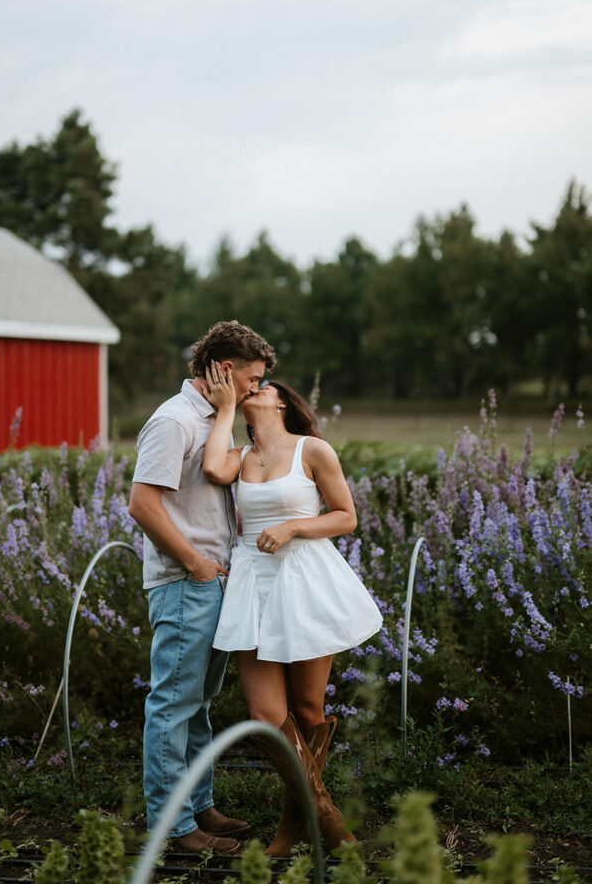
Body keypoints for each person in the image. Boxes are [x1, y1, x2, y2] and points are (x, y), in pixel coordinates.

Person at [201, 362, 383, 855]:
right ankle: (327, 818)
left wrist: (294, 527)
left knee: (307, 710)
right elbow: (211, 469)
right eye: (250, 388)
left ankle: (290, 826)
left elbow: (346, 517)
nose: (253, 389)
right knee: (265, 713)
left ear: (282, 401)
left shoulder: (313, 450)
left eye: (262, 387)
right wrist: (223, 411)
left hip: (303, 578)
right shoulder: (238, 457)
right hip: (252, 586)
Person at [128, 321, 276, 855]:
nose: (258, 390)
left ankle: (198, 805)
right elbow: (142, 504)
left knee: (199, 704)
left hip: (212, 582)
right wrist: (193, 562)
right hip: (185, 582)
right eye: (254, 380)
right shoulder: (173, 422)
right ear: (225, 370)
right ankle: (173, 826)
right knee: (173, 704)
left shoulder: (214, 420)